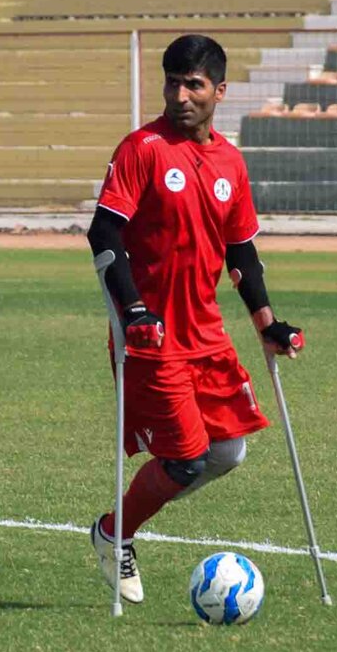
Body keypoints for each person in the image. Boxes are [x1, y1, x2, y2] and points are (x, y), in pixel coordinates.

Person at [85, 34, 303, 603]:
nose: (180, 95)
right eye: (172, 83)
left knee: (228, 453)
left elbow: (243, 253)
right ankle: (115, 532)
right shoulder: (142, 149)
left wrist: (268, 325)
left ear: (219, 92)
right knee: (183, 460)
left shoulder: (230, 160)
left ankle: (123, 520)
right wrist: (132, 308)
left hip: (205, 332)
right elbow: (104, 233)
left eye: (194, 85)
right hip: (151, 334)